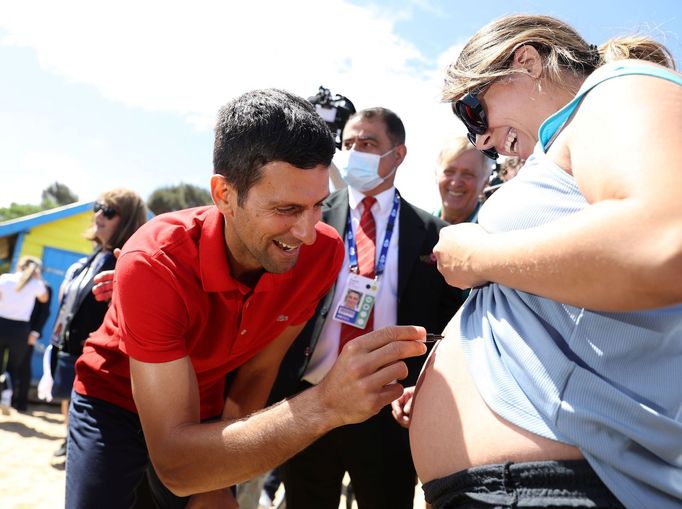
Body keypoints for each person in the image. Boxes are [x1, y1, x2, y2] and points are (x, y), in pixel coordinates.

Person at [66, 88, 428, 509]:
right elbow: (176, 464)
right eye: (287, 209)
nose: (307, 232)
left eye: (317, 206)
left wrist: (219, 482)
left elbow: (258, 370)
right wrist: (327, 404)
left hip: (211, 407)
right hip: (113, 399)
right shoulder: (154, 260)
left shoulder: (323, 252)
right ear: (223, 195)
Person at [402, 14, 682, 509]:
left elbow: (662, 241)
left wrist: (477, 255)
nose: (480, 141)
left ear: (526, 61)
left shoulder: (618, 90)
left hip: (567, 483)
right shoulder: (566, 144)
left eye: (472, 112)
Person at [271, 107, 463, 509]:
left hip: (386, 410)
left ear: (398, 154)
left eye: (369, 144)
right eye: (350, 143)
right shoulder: (312, 215)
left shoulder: (432, 234)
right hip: (309, 401)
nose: (355, 151)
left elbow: (449, 327)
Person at [48, 188, 147, 458]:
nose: (100, 215)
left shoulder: (128, 259)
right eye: (98, 207)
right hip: (69, 347)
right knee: (67, 397)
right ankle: (68, 437)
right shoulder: (88, 260)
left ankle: (74, 442)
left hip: (100, 361)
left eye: (110, 211)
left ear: (126, 220)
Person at [0, 256, 49, 413]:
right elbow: (44, 299)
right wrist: (37, 278)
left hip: (1, 323)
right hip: (20, 329)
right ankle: (6, 397)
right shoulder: (35, 285)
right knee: (13, 367)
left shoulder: (5, 278)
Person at [12, 283, 52, 411]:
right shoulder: (15, 283)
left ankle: (21, 402)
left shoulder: (43, 288)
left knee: (24, 366)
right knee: (10, 366)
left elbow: (44, 312)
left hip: (28, 333)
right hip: (12, 331)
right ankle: (9, 398)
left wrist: (34, 332)